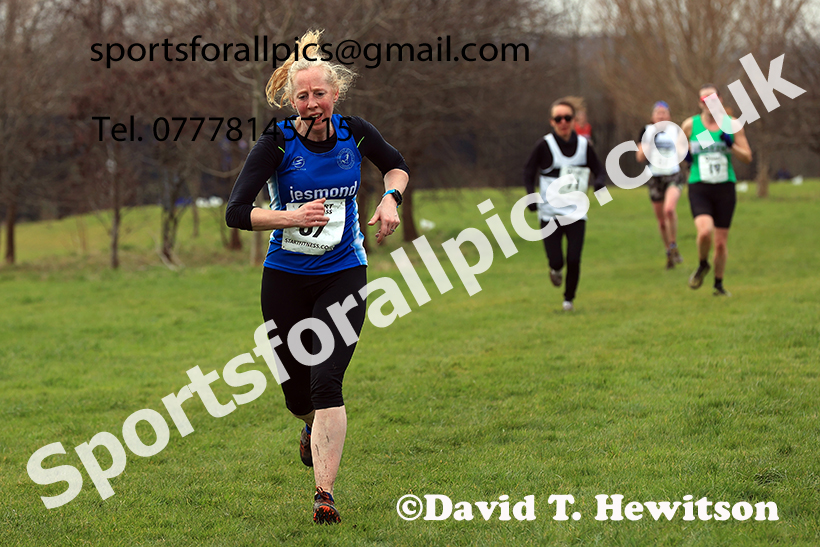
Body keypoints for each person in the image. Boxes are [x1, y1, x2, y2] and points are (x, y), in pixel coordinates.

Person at [225, 29, 409, 524]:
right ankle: (308, 426)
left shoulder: (356, 133)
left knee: (328, 381)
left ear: (336, 94)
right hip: (285, 277)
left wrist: (391, 199)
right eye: (303, 96)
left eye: (320, 94)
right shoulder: (277, 142)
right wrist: (290, 216)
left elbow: (396, 166)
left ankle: (324, 494)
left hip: (344, 271)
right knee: (297, 395)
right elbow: (236, 212)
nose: (312, 104)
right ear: (292, 101)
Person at [524, 98, 606, 311]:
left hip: (576, 212)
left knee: (574, 258)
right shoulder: (544, 145)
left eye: (567, 118)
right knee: (557, 259)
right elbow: (528, 171)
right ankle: (555, 269)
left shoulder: (584, 146)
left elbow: (599, 169)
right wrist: (530, 196)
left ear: (573, 120)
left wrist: (599, 184)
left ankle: (568, 299)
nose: (563, 122)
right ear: (552, 121)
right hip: (549, 213)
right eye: (558, 118)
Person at [681, 84, 752, 296]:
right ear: (699, 103)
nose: (708, 103)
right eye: (704, 100)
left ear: (720, 100)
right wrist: (685, 156)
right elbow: (679, 152)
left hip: (725, 188)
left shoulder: (731, 124)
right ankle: (703, 263)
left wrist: (731, 145)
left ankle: (718, 286)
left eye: (712, 99)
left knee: (720, 244)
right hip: (699, 186)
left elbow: (747, 157)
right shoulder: (690, 125)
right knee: (704, 232)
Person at [635, 101, 686, 269]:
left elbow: (684, 152)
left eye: (664, 112)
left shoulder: (675, 131)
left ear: (669, 116)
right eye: (658, 113)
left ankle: (673, 243)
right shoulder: (646, 131)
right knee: (661, 221)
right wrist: (649, 142)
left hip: (673, 174)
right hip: (655, 177)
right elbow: (639, 157)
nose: (661, 115)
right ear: (652, 116)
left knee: (669, 209)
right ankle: (668, 251)